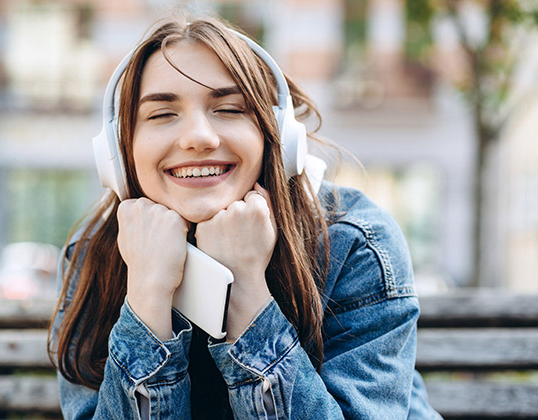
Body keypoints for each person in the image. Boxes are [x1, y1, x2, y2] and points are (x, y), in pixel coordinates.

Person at [48, 12, 442, 420]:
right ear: (118, 150)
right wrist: (147, 296)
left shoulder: (354, 243)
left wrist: (249, 293)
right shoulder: (92, 257)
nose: (198, 137)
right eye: (162, 114)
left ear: (278, 136)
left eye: (230, 109)